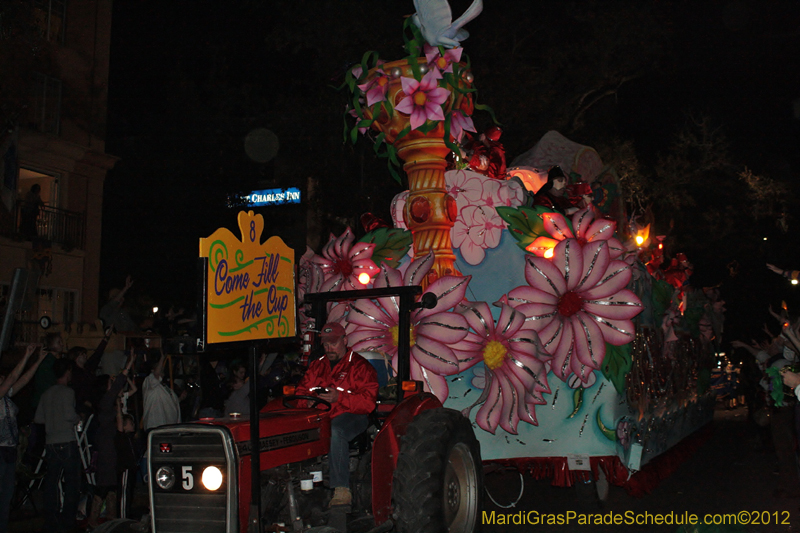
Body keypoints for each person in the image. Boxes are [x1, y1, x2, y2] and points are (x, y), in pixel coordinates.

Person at [295, 322, 378, 508]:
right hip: (322, 415)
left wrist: (339, 397)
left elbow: (367, 403)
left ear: (345, 340)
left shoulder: (361, 367)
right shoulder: (317, 366)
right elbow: (301, 391)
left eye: (333, 343)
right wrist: (307, 401)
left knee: (337, 430)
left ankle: (341, 489)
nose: (329, 347)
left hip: (352, 415)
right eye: (325, 343)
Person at [0, 344, 47, 533]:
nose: (4, 378)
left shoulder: (6, 398)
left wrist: (39, 360)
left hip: (9, 450)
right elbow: (12, 377)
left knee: (6, 496)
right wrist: (27, 355)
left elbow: (23, 380)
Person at [88, 350, 136, 528]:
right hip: (107, 444)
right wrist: (129, 363)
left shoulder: (109, 402)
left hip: (111, 443)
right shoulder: (105, 401)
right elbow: (118, 385)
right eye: (110, 382)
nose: (113, 384)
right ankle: (94, 519)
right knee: (105, 481)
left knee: (111, 482)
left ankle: (110, 517)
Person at [34, 358, 82, 533]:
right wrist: (78, 418)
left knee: (51, 482)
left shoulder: (46, 393)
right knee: (72, 483)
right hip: (66, 441)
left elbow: (38, 418)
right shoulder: (68, 392)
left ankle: (51, 519)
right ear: (67, 372)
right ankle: (68, 520)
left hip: (51, 442)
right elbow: (70, 414)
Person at [142, 350, 181, 431]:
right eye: (159, 367)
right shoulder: (149, 382)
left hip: (169, 427)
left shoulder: (166, 388)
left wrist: (180, 399)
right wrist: (162, 358)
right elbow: (156, 375)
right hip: (155, 425)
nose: (162, 369)